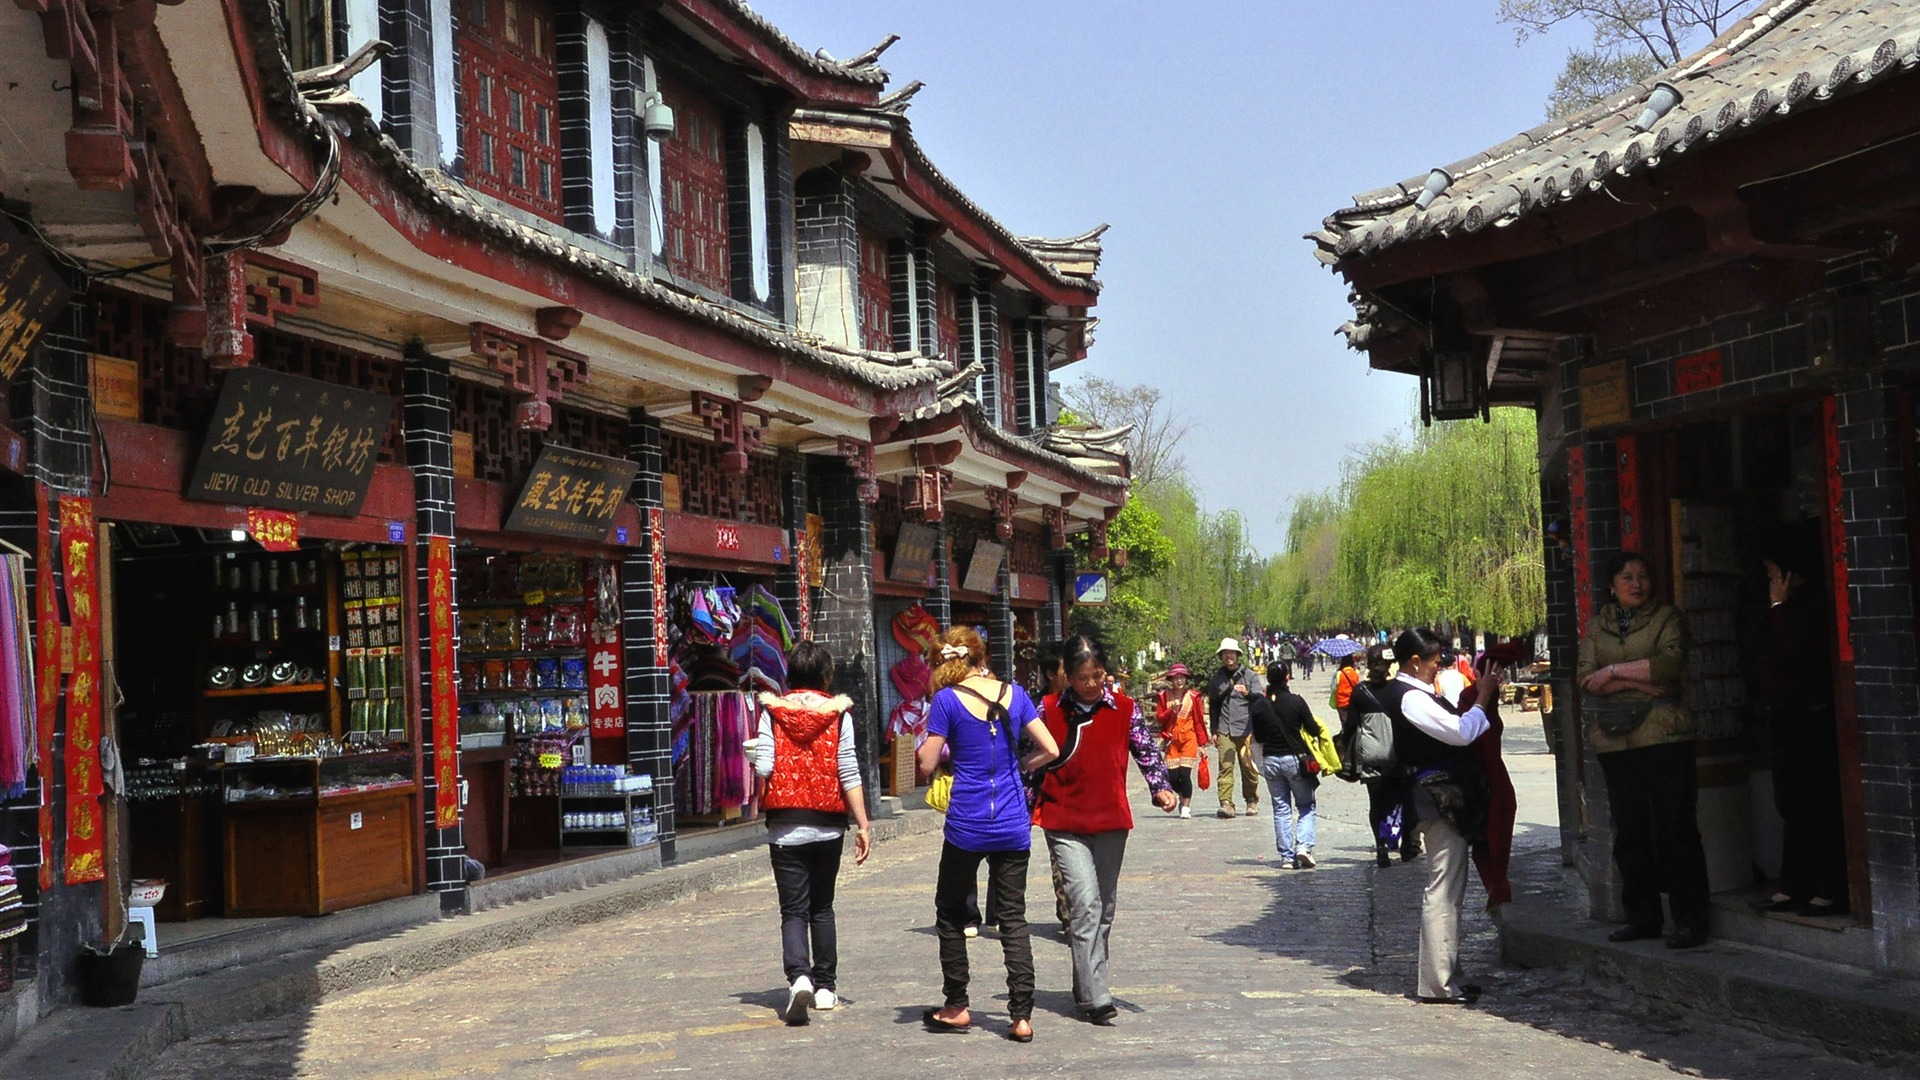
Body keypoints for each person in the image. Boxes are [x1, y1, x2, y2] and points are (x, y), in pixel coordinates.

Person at [916, 627, 1059, 1042]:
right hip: (1013, 823)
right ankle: (1020, 1016)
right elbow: (1050, 748)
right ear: (982, 656)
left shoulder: (946, 701)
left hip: (966, 824)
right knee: (1013, 917)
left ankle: (957, 1005)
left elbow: (926, 762)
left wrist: (933, 750)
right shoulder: (1016, 694)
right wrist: (1022, 766)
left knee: (949, 912)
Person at [1032, 634, 1177, 1025]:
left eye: (1097, 675)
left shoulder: (1125, 709)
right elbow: (1028, 762)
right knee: (1084, 905)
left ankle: (1085, 986)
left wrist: (1161, 787)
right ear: (1066, 676)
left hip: (1111, 819)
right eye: (1082, 678)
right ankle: (1097, 996)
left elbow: (1146, 752)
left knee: (1105, 910)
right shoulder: (1047, 710)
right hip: (1064, 821)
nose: (1092, 684)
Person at [1578, 551, 1709, 950]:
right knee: (1630, 831)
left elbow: (1670, 666)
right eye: (1627, 576)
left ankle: (1689, 920)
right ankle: (1643, 916)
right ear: (1611, 585)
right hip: (1615, 740)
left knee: (1676, 828)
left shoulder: (1668, 617)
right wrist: (1642, 683)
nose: (1637, 584)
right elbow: (1586, 678)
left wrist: (1614, 672)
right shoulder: (1596, 627)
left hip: (1665, 735)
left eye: (1643, 575)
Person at [751, 641, 873, 1025]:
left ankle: (799, 977)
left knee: (793, 910)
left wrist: (754, 767)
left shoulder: (771, 713)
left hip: (785, 824)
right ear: (825, 676)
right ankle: (825, 988)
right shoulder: (839, 717)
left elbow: (765, 766)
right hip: (827, 824)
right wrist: (864, 824)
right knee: (822, 908)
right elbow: (848, 771)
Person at [1377, 627, 1497, 1004]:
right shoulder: (1411, 698)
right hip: (1436, 798)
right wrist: (1483, 699)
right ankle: (1437, 983)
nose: (1439, 667)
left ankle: (1449, 974)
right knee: (1443, 888)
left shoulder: (1418, 693)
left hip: (1443, 795)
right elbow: (1461, 732)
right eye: (1434, 661)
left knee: (1451, 887)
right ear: (1416, 662)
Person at [1750, 531, 1847, 917]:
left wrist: (1779, 606)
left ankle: (1829, 886)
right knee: (1790, 803)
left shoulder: (1808, 605)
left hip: (1813, 717)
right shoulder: (1782, 607)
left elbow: (1797, 649)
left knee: (1817, 804)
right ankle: (1795, 883)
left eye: (1775, 571)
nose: (1770, 579)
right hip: (1785, 716)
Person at [1344, 643, 1420, 867]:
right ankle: (1407, 845)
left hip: (1371, 755)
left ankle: (1381, 848)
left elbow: (1350, 726)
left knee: (1376, 803)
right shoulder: (1400, 690)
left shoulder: (1360, 692)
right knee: (1405, 802)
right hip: (1399, 753)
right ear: (1389, 666)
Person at [1249, 664, 1323, 869]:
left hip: (1271, 760)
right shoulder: (1296, 701)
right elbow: (1313, 729)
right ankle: (1303, 846)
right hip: (1295, 761)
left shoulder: (1258, 706)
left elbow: (1260, 737)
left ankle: (1286, 858)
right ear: (1288, 677)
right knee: (1306, 805)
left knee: (1281, 809)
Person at [1204, 638, 1262, 817]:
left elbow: (1260, 701)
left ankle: (1251, 800)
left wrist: (1248, 693)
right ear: (1221, 656)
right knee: (1225, 766)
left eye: (1232, 652)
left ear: (1237, 655)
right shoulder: (1217, 678)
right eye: (1225, 653)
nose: (1228, 656)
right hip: (1225, 729)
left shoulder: (1250, 676)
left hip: (1247, 729)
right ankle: (1226, 802)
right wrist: (1213, 731)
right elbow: (1213, 705)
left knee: (1248, 767)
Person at [1153, 662, 1209, 819]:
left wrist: (1201, 743)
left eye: (1182, 678)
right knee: (1172, 776)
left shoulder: (1193, 696)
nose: (1179, 681)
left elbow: (1198, 721)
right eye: (1176, 678)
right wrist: (1170, 711)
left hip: (1188, 738)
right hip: (1171, 740)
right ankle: (1182, 794)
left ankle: (1186, 806)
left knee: (1185, 775)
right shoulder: (1164, 697)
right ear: (1171, 679)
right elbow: (1159, 718)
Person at [1332, 653, 1362, 727]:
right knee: (1353, 723)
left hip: (1341, 702)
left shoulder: (1339, 673)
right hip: (1352, 701)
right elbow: (1357, 685)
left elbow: (1333, 687)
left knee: (1344, 723)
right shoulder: (1354, 673)